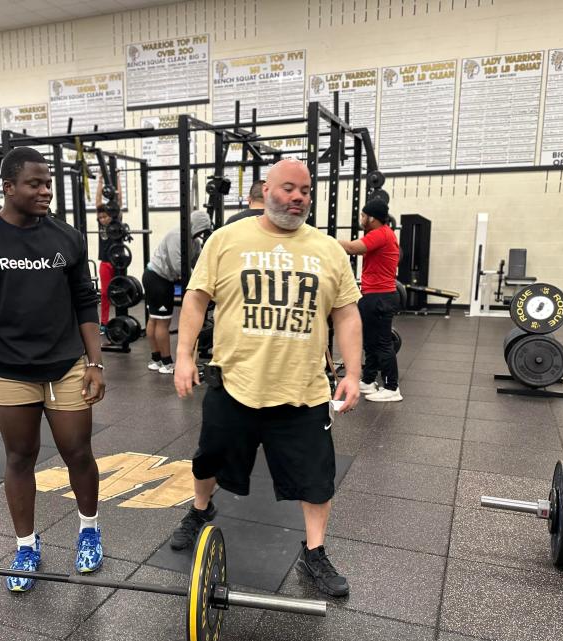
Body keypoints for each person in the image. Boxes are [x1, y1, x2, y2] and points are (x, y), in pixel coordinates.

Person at [170, 158, 363, 598]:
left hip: (302, 389)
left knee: (316, 477)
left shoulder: (329, 249)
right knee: (207, 460)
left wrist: (353, 372)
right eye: (289, 189)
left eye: (306, 192)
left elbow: (347, 314)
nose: (298, 198)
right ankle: (200, 509)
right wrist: (183, 357)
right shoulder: (227, 239)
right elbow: (197, 299)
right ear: (265, 189)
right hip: (235, 381)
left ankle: (315, 551)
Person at [0, 147, 106, 592]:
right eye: (35, 184)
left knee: (78, 452)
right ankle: (26, 545)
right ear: (9, 187)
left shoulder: (68, 238)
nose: (44, 191)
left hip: (68, 366)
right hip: (9, 371)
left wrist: (95, 362)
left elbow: (85, 302)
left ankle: (89, 530)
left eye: (48, 183)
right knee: (19, 457)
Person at [338, 198, 402, 402]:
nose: (361, 219)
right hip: (373, 294)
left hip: (380, 296)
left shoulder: (380, 234)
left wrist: (325, 241)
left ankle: (392, 388)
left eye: (363, 215)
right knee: (370, 341)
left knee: (382, 343)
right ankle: (368, 380)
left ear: (371, 218)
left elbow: (351, 248)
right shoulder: (382, 234)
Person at [142, 210, 211, 373]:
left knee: (155, 319)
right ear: (195, 226)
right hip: (157, 279)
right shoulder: (176, 236)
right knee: (162, 322)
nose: (201, 234)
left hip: (158, 278)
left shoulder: (193, 240)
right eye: (201, 230)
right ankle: (166, 363)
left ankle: (156, 360)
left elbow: (198, 260)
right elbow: (178, 265)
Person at [95, 173, 121, 332]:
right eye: (101, 217)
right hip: (105, 262)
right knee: (104, 293)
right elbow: (98, 201)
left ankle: (120, 320)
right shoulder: (100, 225)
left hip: (118, 262)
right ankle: (104, 323)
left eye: (105, 216)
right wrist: (100, 181)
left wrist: (117, 179)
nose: (103, 219)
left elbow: (118, 202)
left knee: (119, 293)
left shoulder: (116, 220)